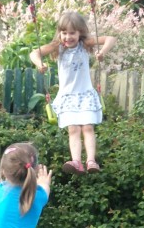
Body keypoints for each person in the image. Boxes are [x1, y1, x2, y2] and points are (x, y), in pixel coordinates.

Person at [30, 10, 116, 175]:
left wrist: (102, 52)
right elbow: (34, 53)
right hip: (68, 97)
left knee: (88, 128)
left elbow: (111, 39)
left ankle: (91, 161)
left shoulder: (85, 44)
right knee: (73, 129)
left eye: (72, 33)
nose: (68, 37)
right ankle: (76, 162)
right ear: (60, 33)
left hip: (85, 95)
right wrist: (39, 63)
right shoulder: (58, 47)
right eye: (64, 33)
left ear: (80, 33)